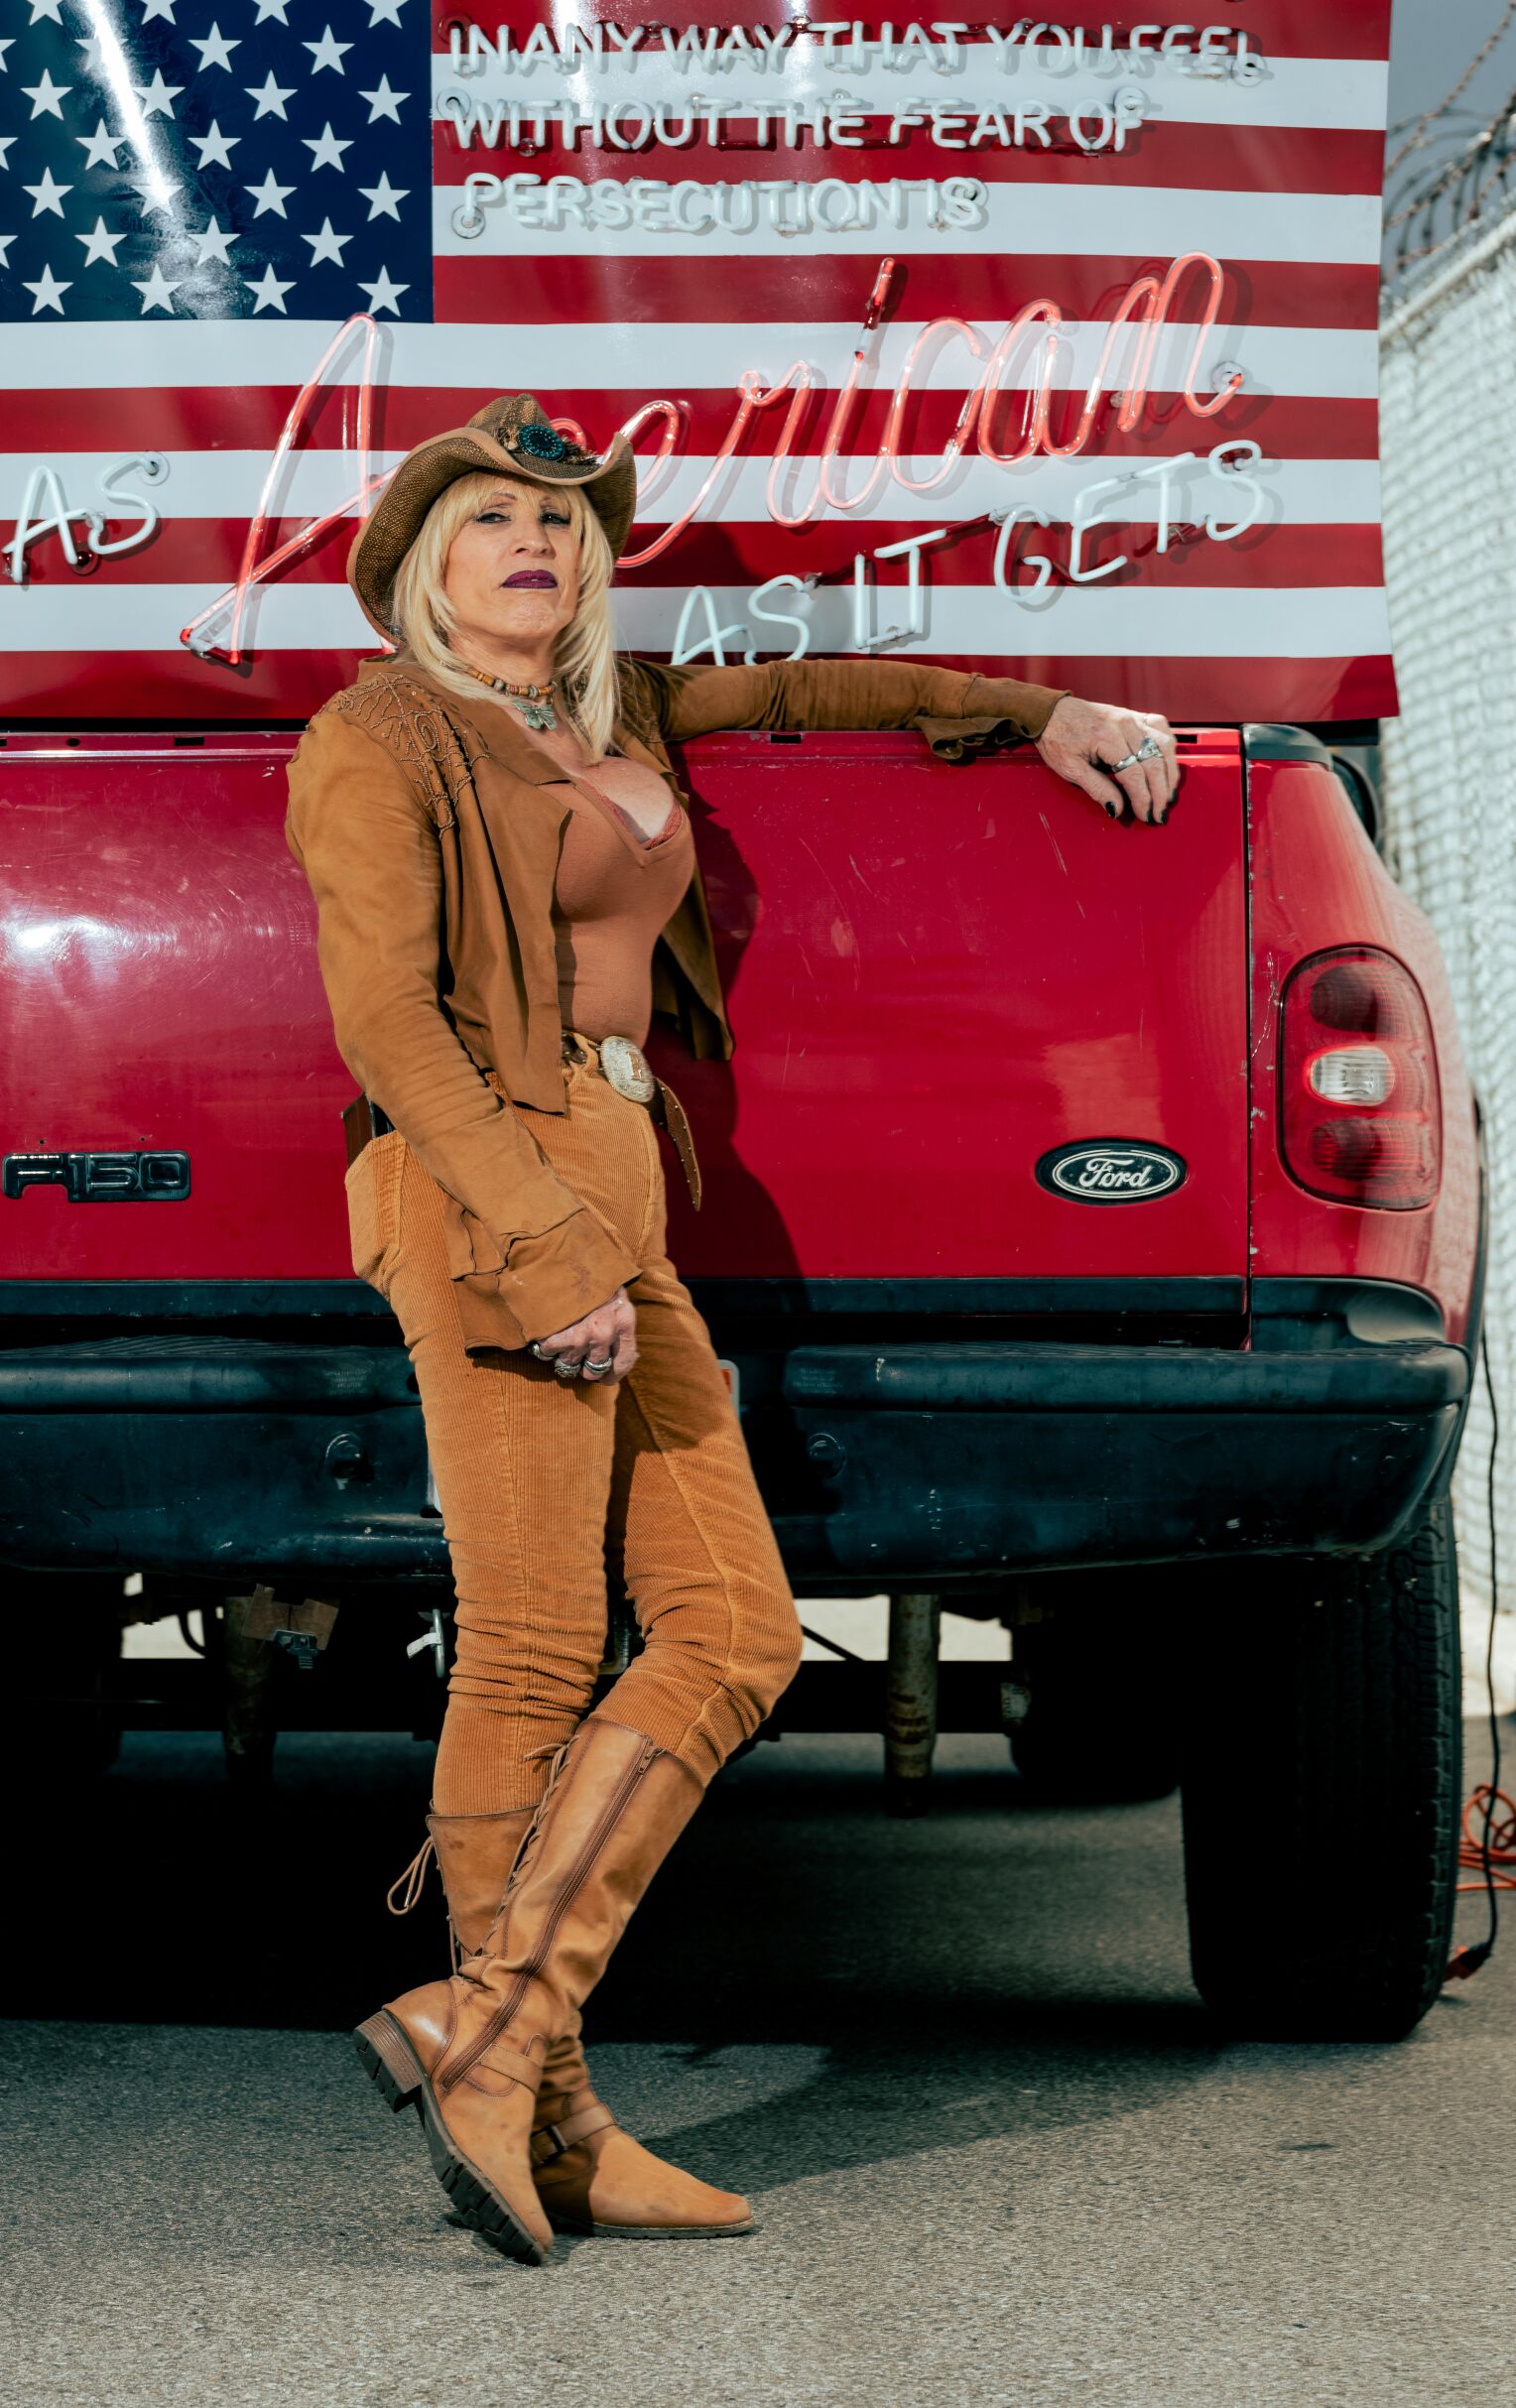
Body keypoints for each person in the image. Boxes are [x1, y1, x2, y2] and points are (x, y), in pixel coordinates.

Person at [282, 394, 1180, 2263]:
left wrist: (1043, 715)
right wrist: (538, 1241)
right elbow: (385, 1024)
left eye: (560, 522)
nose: (535, 543)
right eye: (491, 520)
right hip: (488, 1187)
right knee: (531, 1645)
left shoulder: (608, 717)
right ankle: (542, 2087)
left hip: (618, 1166)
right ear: (419, 566)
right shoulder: (376, 737)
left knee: (738, 1625)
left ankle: (504, 2032)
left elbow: (824, 695)